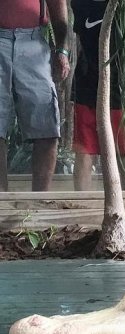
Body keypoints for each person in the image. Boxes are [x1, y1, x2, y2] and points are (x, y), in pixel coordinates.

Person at [0, 0, 70, 192]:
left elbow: (57, 4)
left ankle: (39, 204)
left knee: (46, 126)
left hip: (33, 42)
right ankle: (1, 205)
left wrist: (62, 50)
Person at [70, 0, 125, 191]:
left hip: (123, 87)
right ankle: (80, 211)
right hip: (88, 85)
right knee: (84, 151)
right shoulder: (82, 4)